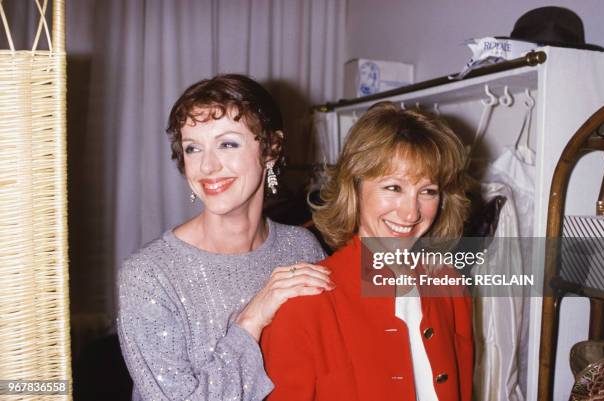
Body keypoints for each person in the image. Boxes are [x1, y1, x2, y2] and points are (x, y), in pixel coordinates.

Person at [117, 74, 333, 401]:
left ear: (271, 149)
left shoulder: (302, 247)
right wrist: (251, 321)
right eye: (193, 148)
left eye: (227, 143)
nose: (207, 166)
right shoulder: (148, 276)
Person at [262, 102, 473, 401]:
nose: (411, 212)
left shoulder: (449, 286)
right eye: (393, 188)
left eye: (427, 191)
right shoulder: (305, 305)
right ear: (355, 187)